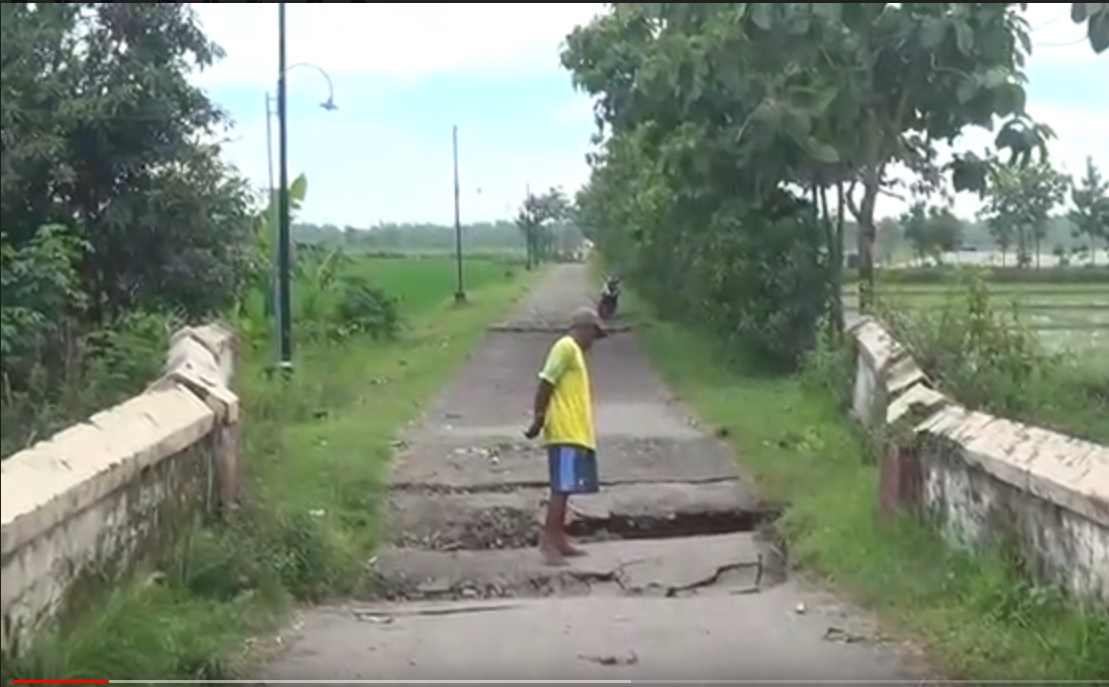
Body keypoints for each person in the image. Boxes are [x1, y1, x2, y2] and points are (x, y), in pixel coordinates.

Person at [524, 305, 607, 565]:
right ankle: (548, 542)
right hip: (564, 431)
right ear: (582, 328)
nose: (594, 340)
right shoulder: (566, 347)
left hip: (574, 432)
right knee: (561, 488)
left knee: (567, 486)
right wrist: (538, 417)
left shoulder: (576, 354)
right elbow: (546, 382)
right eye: (593, 333)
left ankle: (559, 538)